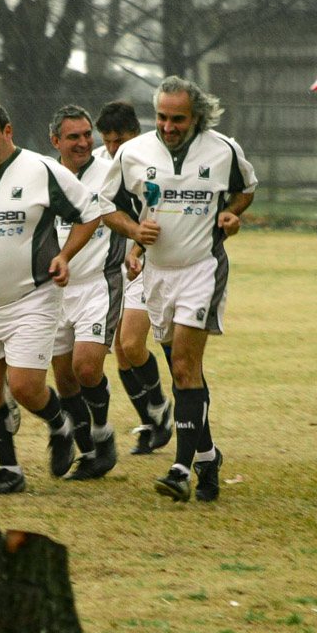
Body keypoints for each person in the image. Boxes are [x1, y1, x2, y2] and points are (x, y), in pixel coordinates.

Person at [99, 76, 256, 503]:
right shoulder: (134, 153)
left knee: (185, 366)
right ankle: (206, 455)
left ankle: (180, 468)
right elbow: (107, 206)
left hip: (202, 269)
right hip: (157, 273)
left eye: (178, 119)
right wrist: (135, 229)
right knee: (179, 369)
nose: (168, 127)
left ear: (197, 117)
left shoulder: (223, 150)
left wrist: (229, 215)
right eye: (162, 118)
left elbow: (245, 191)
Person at [0, 100, 101, 495]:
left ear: (8, 133)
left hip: (32, 298)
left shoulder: (41, 170)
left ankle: (59, 423)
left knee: (25, 387)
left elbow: (90, 213)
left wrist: (64, 255)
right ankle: (9, 469)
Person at [48, 105, 122, 480]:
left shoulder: (111, 171)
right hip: (55, 291)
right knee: (64, 379)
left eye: (86, 134)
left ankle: (102, 434)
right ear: (55, 141)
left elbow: (137, 210)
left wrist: (138, 248)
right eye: (72, 136)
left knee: (86, 367)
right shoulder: (44, 175)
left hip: (98, 283)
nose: (82, 142)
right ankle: (87, 450)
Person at [94, 100, 172, 455]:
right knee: (121, 355)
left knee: (130, 344)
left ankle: (159, 407)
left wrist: (138, 249)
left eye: (119, 139)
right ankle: (152, 422)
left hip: (145, 263)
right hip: (110, 270)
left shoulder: (150, 161)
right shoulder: (96, 163)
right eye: (107, 140)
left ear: (135, 134)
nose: (113, 148)